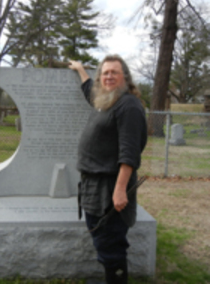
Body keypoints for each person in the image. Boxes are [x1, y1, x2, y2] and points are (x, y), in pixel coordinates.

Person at [69, 55, 147, 284]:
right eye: (105, 73)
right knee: (102, 238)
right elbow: (89, 92)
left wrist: (121, 189)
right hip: (94, 183)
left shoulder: (129, 105)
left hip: (111, 185)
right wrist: (81, 70)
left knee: (111, 243)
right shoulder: (107, 100)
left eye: (114, 72)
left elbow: (130, 153)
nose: (109, 76)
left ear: (126, 78)